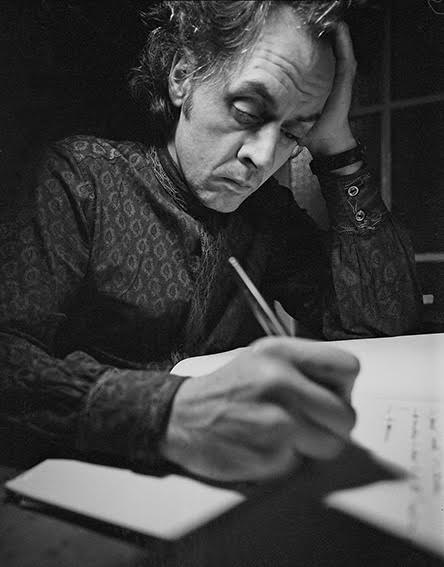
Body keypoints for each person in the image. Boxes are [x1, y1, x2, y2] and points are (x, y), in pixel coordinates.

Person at [0, 1, 421, 482]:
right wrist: (168, 412)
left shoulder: (267, 213)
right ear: (183, 76)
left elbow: (381, 324)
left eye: (293, 132)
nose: (263, 156)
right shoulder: (80, 180)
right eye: (247, 110)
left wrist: (334, 145)